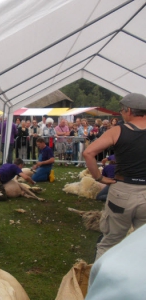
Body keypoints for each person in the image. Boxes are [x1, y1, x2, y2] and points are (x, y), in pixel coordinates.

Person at [83, 93, 146, 261]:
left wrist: (98, 178)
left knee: (110, 242)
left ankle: (99, 284)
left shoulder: (118, 131)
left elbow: (89, 153)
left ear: (129, 110)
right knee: (143, 244)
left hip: (123, 192)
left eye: (121, 111)